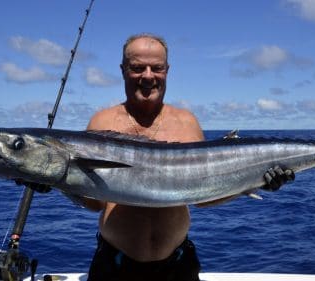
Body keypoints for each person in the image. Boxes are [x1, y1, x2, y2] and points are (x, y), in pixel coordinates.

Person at [79, 33, 295, 281]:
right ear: (123, 70)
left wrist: (255, 181)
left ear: (167, 70)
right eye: (138, 68)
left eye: (156, 68)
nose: (148, 76)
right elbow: (95, 203)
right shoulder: (102, 122)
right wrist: (58, 181)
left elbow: (204, 196)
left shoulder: (186, 122)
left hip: (177, 266)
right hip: (115, 266)